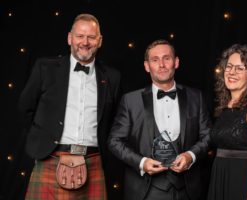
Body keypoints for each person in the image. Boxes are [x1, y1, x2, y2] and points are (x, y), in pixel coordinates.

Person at [18, 13, 121, 199]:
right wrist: (42, 138)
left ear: (100, 41)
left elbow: (114, 120)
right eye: (80, 36)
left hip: (94, 160)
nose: (85, 42)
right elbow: (25, 109)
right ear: (69, 38)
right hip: (51, 157)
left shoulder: (112, 77)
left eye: (91, 37)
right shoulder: (45, 68)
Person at [108, 39, 211, 200]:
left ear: (176, 62)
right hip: (145, 190)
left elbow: (208, 136)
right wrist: (142, 162)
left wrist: (190, 156)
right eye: (155, 60)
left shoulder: (196, 97)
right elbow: (114, 141)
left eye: (167, 58)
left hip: (188, 190)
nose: (161, 64)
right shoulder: (130, 100)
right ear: (147, 66)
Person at [207, 44, 247, 200]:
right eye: (229, 67)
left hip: (245, 183)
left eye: (240, 68)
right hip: (220, 179)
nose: (232, 72)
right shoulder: (226, 105)